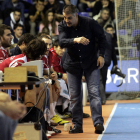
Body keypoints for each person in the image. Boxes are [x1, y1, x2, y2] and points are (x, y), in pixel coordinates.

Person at [58, 4, 107, 134]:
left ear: (76, 15)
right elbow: (61, 42)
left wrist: (101, 55)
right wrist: (76, 40)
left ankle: (98, 123)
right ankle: (77, 125)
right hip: (73, 64)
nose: (66, 20)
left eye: (69, 18)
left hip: (91, 63)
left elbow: (103, 38)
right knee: (74, 96)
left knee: (94, 93)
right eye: (65, 17)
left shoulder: (90, 23)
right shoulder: (63, 25)